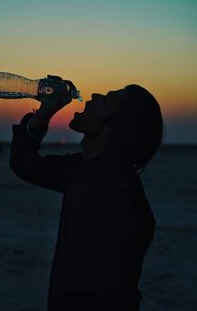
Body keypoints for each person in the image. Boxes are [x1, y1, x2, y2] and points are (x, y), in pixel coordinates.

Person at [9, 76, 163, 311]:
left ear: (111, 128)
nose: (94, 96)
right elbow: (25, 164)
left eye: (107, 100)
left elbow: (109, 291)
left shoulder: (119, 197)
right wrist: (43, 115)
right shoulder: (84, 170)